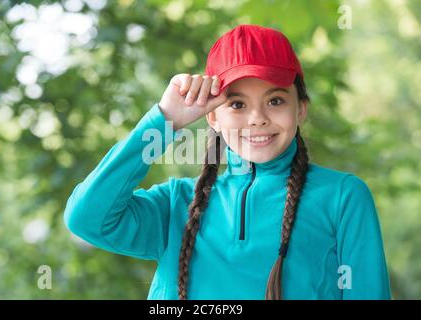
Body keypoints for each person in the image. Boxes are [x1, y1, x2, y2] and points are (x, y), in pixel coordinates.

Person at [64, 24, 391, 300]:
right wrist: (163, 121)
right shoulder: (176, 205)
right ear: (212, 117)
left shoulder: (342, 196)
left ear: (301, 108)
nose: (257, 119)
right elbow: (86, 218)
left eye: (275, 100)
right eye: (237, 104)